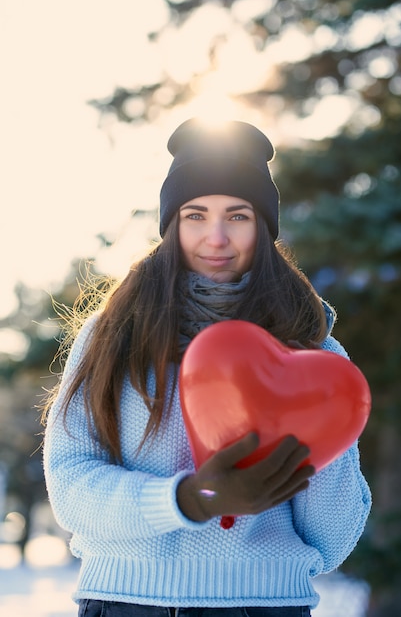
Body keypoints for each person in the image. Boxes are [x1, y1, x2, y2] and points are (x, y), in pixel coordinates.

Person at [43, 118, 372, 617]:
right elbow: (71, 487)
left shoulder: (315, 354)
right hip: (126, 603)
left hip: (264, 607)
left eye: (237, 216)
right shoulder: (111, 337)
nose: (215, 237)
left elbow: (332, 539)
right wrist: (189, 500)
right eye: (195, 215)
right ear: (171, 224)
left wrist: (318, 430)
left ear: (263, 227)